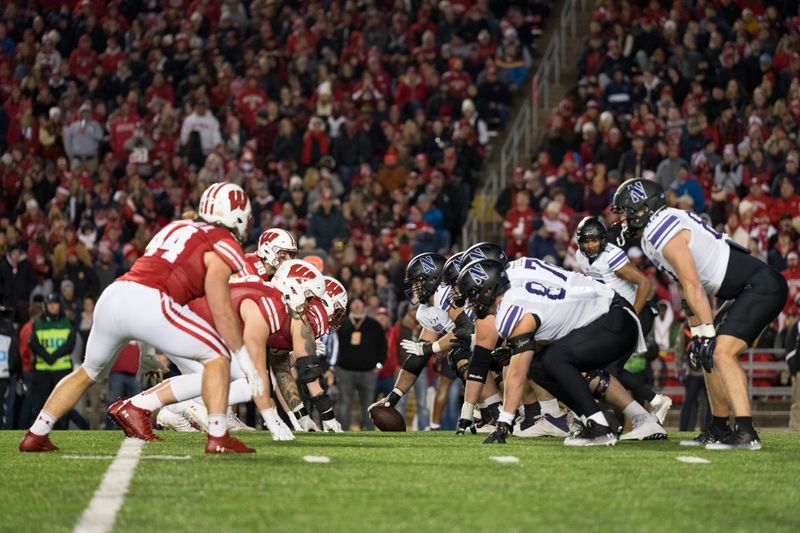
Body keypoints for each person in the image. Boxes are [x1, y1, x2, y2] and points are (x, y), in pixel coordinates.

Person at [21, 183, 260, 454]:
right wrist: (242, 354)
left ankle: (37, 433)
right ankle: (218, 436)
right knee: (219, 356)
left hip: (114, 294)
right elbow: (220, 306)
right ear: (238, 215)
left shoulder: (175, 227)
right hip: (150, 299)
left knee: (88, 371)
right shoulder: (222, 242)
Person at [613, 178, 788, 449]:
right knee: (706, 355)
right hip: (745, 289)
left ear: (643, 207)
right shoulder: (652, 236)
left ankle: (746, 432)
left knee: (720, 352)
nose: (622, 218)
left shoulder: (660, 227)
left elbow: (693, 282)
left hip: (761, 285)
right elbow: (684, 286)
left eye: (626, 211)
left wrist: (706, 332)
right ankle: (718, 428)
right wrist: (697, 332)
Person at [458, 258, 665, 446]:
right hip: (608, 316)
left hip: (613, 318)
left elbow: (516, 372)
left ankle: (599, 426)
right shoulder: (518, 273)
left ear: (487, 291)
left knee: (555, 358)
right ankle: (638, 419)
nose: (470, 304)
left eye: (472, 296)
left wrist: (504, 422)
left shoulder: (511, 309)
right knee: (539, 365)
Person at [574, 216, 672, 423]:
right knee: (608, 370)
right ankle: (652, 403)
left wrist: (632, 317)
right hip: (616, 315)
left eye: (594, 240)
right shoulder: (581, 257)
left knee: (608, 370)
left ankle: (637, 414)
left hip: (637, 314)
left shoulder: (611, 256)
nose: (590, 245)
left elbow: (645, 284)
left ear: (603, 240)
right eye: (586, 241)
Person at [28, 293, 83, 430]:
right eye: (50, 304)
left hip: (61, 371)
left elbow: (70, 345)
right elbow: (33, 343)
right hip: (42, 372)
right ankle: (39, 433)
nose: (52, 306)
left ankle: (61, 433)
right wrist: (48, 357)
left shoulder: (67, 322)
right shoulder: (38, 323)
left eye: (55, 303)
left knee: (62, 405)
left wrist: (52, 357)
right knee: (40, 405)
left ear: (60, 305)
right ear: (46, 306)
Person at [336, 297, 387, 430]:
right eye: (354, 303)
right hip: (345, 371)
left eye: (360, 302)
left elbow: (383, 346)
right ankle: (343, 430)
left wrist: (379, 365)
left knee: (368, 404)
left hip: (368, 372)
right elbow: (335, 346)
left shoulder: (374, 324)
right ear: (350, 306)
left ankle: (368, 430)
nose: (357, 305)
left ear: (364, 306)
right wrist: (336, 365)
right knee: (345, 403)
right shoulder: (342, 323)